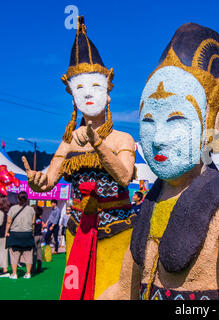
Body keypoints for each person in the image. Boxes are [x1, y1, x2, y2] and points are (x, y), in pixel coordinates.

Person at [100, 23, 219, 300]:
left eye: (176, 120)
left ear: (217, 126)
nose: (157, 138)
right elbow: (124, 289)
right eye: (148, 121)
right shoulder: (150, 203)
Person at [23, 16, 137, 299]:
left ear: (108, 93)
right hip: (78, 230)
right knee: (78, 291)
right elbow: (50, 178)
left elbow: (123, 175)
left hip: (117, 230)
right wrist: (38, 182)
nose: (88, 94)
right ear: (72, 97)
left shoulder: (123, 139)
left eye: (95, 87)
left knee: (112, 291)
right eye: (80, 89)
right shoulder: (69, 140)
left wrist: (98, 144)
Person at [5, 191, 35, 279]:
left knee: (14, 254)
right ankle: (28, 273)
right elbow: (33, 223)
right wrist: (32, 232)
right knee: (28, 253)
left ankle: (14, 274)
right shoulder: (31, 209)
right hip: (27, 233)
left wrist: (7, 231)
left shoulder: (13, 208)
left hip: (15, 233)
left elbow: (8, 222)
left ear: (18, 198)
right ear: (27, 199)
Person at [0, 195, 10, 277]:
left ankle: (4, 270)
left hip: (1, 234)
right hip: (5, 234)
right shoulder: (8, 211)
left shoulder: (1, 212)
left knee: (2, 252)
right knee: (4, 252)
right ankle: (5, 270)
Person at [32, 205, 43, 274]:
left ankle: (33, 268)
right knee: (39, 251)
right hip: (40, 236)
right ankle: (39, 266)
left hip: (35, 236)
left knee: (34, 253)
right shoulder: (40, 219)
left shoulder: (34, 219)